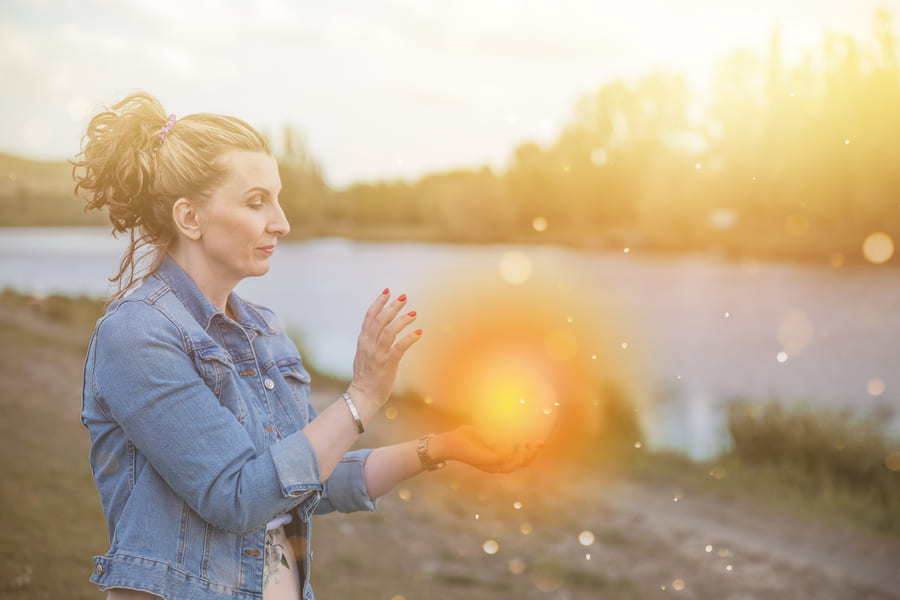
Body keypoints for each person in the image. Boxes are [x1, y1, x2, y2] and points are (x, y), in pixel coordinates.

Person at [75, 93, 542, 600]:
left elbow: (301, 479)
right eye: (256, 202)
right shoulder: (138, 334)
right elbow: (239, 497)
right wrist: (360, 397)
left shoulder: (262, 329)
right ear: (190, 218)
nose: (282, 222)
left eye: (277, 198)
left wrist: (441, 447)